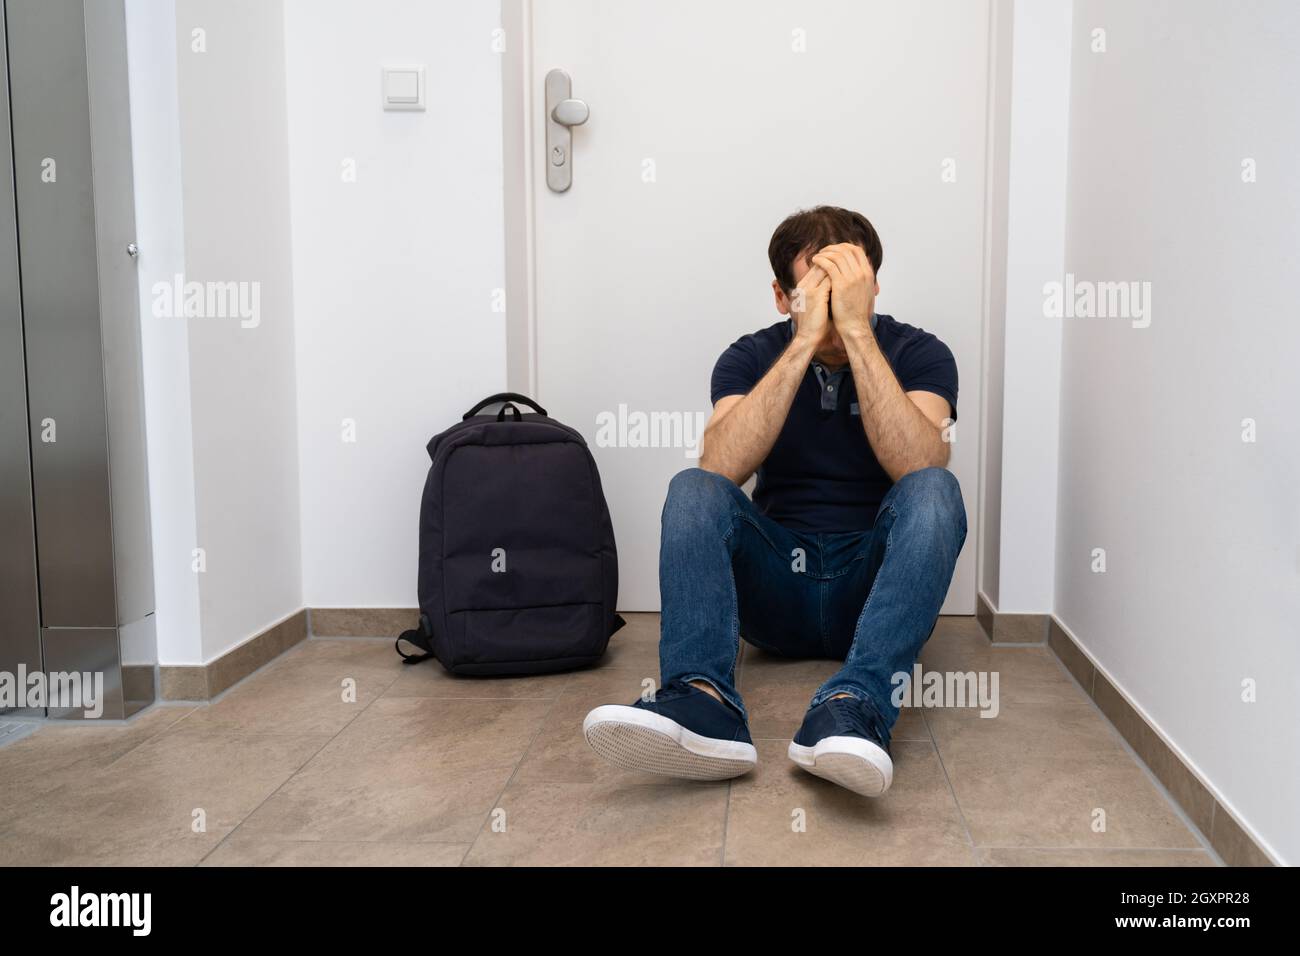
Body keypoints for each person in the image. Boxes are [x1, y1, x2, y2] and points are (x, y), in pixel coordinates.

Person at [583, 205, 966, 796]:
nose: (834, 309)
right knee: (692, 488)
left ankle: (854, 704)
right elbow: (721, 469)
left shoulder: (921, 352)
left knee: (939, 489)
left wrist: (858, 334)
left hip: (870, 593)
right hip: (774, 592)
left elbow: (920, 466)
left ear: (873, 288)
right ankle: (701, 700)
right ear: (781, 296)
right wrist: (803, 342)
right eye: (815, 292)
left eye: (847, 292)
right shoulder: (750, 356)